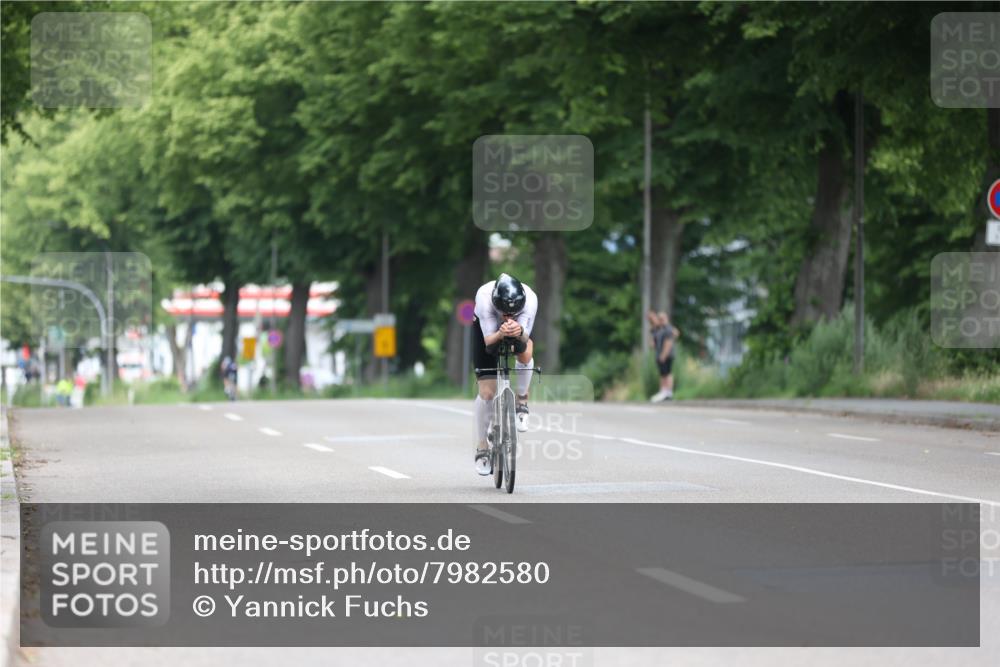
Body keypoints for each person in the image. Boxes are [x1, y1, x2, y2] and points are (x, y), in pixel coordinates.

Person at [471, 273, 538, 475]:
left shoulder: (531, 300)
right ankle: (482, 445)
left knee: (525, 353)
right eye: (504, 314)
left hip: (517, 332)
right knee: (487, 393)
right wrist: (501, 333)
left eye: (513, 314)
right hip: (487, 333)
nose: (508, 317)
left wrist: (517, 330)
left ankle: (522, 401)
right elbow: (490, 343)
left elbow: (524, 339)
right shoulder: (484, 298)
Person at [650, 311, 680, 403]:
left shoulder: (668, 329)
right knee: (663, 374)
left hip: (666, 355)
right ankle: (663, 391)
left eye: (660, 319)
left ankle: (668, 392)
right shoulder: (659, 329)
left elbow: (669, 342)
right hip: (661, 354)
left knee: (667, 373)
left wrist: (663, 355)